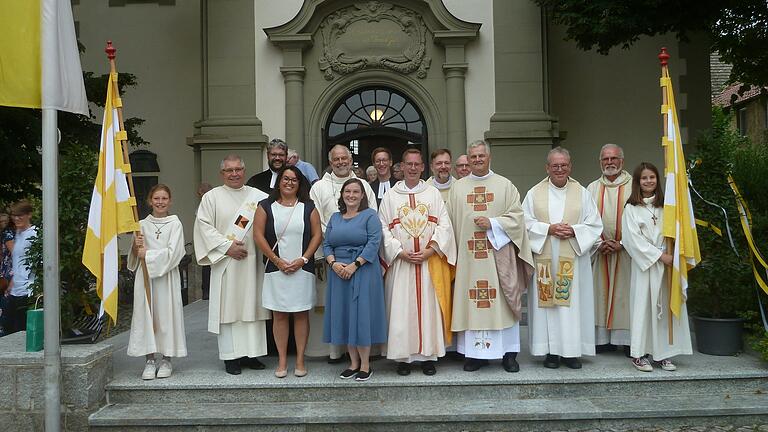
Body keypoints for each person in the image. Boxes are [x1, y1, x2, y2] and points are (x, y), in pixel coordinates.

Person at [447, 140, 534, 373]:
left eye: (481, 156)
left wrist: (493, 223)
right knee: (471, 304)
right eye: (473, 156)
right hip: (468, 260)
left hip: (498, 258)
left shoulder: (505, 185)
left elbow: (517, 217)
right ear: (468, 159)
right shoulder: (458, 188)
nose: (477, 160)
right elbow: (449, 223)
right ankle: (476, 356)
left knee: (502, 303)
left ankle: (508, 354)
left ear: (489, 157)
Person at [523, 147, 603, 369]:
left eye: (563, 165)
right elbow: (524, 224)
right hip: (545, 261)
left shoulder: (583, 193)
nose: (559, 169)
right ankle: (550, 352)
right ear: (547, 167)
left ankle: (571, 352)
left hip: (573, 261)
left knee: (571, 306)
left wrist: (575, 231)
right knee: (547, 307)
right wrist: (548, 229)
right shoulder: (534, 193)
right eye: (555, 165)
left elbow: (595, 224)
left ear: (570, 167)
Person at [379, 149, 457, 376]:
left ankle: (428, 357)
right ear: (401, 167)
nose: (412, 168)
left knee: (428, 310)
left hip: (427, 263)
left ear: (423, 167)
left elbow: (445, 226)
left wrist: (430, 250)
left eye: (417, 164)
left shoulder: (432, 194)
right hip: (401, 264)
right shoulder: (391, 197)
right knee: (402, 310)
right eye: (408, 164)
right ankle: (403, 358)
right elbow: (382, 228)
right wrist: (399, 251)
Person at [194, 155, 271, 375]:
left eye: (238, 169)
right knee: (229, 308)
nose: (234, 174)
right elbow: (203, 227)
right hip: (226, 262)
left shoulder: (258, 197)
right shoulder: (211, 197)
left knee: (251, 306)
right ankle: (231, 357)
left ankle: (252, 354)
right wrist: (227, 247)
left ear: (244, 171)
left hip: (252, 262)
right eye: (229, 170)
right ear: (222, 174)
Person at [307, 144, 377, 361]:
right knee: (335, 304)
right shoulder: (319, 187)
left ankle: (364, 354)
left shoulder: (363, 184)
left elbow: (373, 215)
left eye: (344, 158)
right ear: (330, 161)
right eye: (336, 159)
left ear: (350, 159)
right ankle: (335, 351)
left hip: (359, 257)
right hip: (331, 255)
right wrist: (327, 256)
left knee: (360, 306)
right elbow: (314, 220)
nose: (340, 162)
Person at [622, 162, 692, 372]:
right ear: (638, 182)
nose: (649, 181)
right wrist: (660, 256)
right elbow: (631, 240)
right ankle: (639, 354)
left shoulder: (667, 208)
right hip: (646, 266)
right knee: (643, 308)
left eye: (652, 177)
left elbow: (676, 232)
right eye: (644, 178)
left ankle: (664, 353)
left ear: (657, 180)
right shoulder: (631, 209)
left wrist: (671, 254)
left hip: (667, 264)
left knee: (664, 308)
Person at [254, 167, 322, 378]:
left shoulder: (308, 207)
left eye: (294, 179)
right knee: (280, 315)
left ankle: (300, 360)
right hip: (276, 268)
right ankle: (282, 360)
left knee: (301, 314)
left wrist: (303, 259)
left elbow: (317, 235)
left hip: (302, 268)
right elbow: (258, 235)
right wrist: (276, 260)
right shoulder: (265, 206)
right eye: (286, 178)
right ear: (279, 181)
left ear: (300, 184)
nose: (289, 183)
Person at [323, 178, 387, 381]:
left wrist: (354, 265)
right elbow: (327, 244)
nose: (351, 195)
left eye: (355, 192)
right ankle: (353, 363)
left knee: (361, 316)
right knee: (346, 316)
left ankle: (366, 365)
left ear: (362, 195)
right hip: (338, 273)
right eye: (347, 191)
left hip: (364, 270)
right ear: (342, 195)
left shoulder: (370, 216)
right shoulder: (334, 217)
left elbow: (374, 242)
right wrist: (333, 264)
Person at [128, 184, 188, 380]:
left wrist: (149, 254)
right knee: (147, 316)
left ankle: (166, 359)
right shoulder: (141, 225)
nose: (160, 202)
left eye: (164, 199)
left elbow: (176, 253)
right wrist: (137, 249)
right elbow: (135, 257)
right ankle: (149, 360)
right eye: (156, 199)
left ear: (169, 201)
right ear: (150, 201)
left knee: (166, 316)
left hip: (167, 277)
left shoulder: (175, 224)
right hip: (145, 278)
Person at [587, 144, 632, 353]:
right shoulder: (591, 188)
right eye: (605, 159)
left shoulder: (634, 186)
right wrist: (598, 243)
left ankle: (626, 340)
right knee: (600, 296)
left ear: (622, 161)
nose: (610, 163)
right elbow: (585, 220)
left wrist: (622, 244)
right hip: (600, 250)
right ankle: (603, 340)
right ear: (599, 162)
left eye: (614, 158)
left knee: (625, 297)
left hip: (627, 253)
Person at [5, 200, 37, 335]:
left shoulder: (34, 233)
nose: (16, 218)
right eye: (14, 216)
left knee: (22, 330)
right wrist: (12, 281)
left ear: (29, 215)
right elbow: (18, 261)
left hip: (28, 289)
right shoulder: (18, 234)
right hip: (15, 289)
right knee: (10, 329)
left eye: (20, 215)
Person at [197, 182, 213, 300]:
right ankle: (206, 291)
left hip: (216, 240)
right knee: (207, 267)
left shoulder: (214, 202)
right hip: (205, 242)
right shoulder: (201, 206)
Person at [0, 212, 14, 336]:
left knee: (5, 300)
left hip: (7, 272)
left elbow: (14, 252)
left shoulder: (7, 234)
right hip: (5, 271)